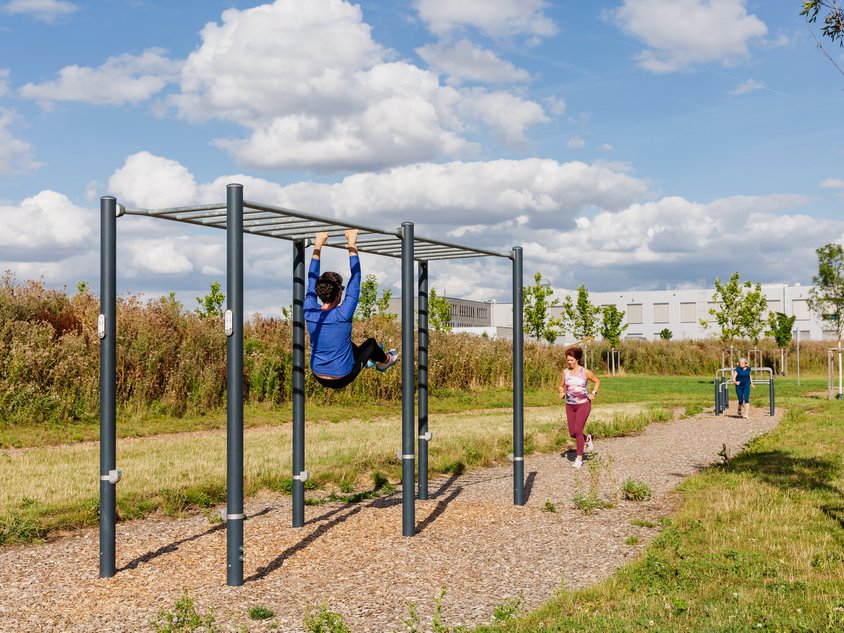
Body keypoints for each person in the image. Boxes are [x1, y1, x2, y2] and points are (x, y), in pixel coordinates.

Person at [304, 229, 398, 389]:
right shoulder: (343, 313)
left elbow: (312, 277)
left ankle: (369, 360)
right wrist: (351, 243)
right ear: (338, 294)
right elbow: (356, 276)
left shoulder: (309, 310)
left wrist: (318, 243)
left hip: (318, 374)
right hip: (342, 377)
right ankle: (386, 361)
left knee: (345, 343)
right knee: (371, 345)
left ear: (318, 291)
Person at [558, 346, 601, 468]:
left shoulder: (585, 372)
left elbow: (597, 381)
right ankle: (587, 438)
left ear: (577, 359)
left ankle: (579, 458)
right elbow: (561, 386)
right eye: (568, 360)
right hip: (570, 405)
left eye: (571, 360)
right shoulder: (565, 372)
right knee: (572, 433)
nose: (569, 362)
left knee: (578, 430)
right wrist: (561, 392)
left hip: (583, 404)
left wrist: (593, 393)